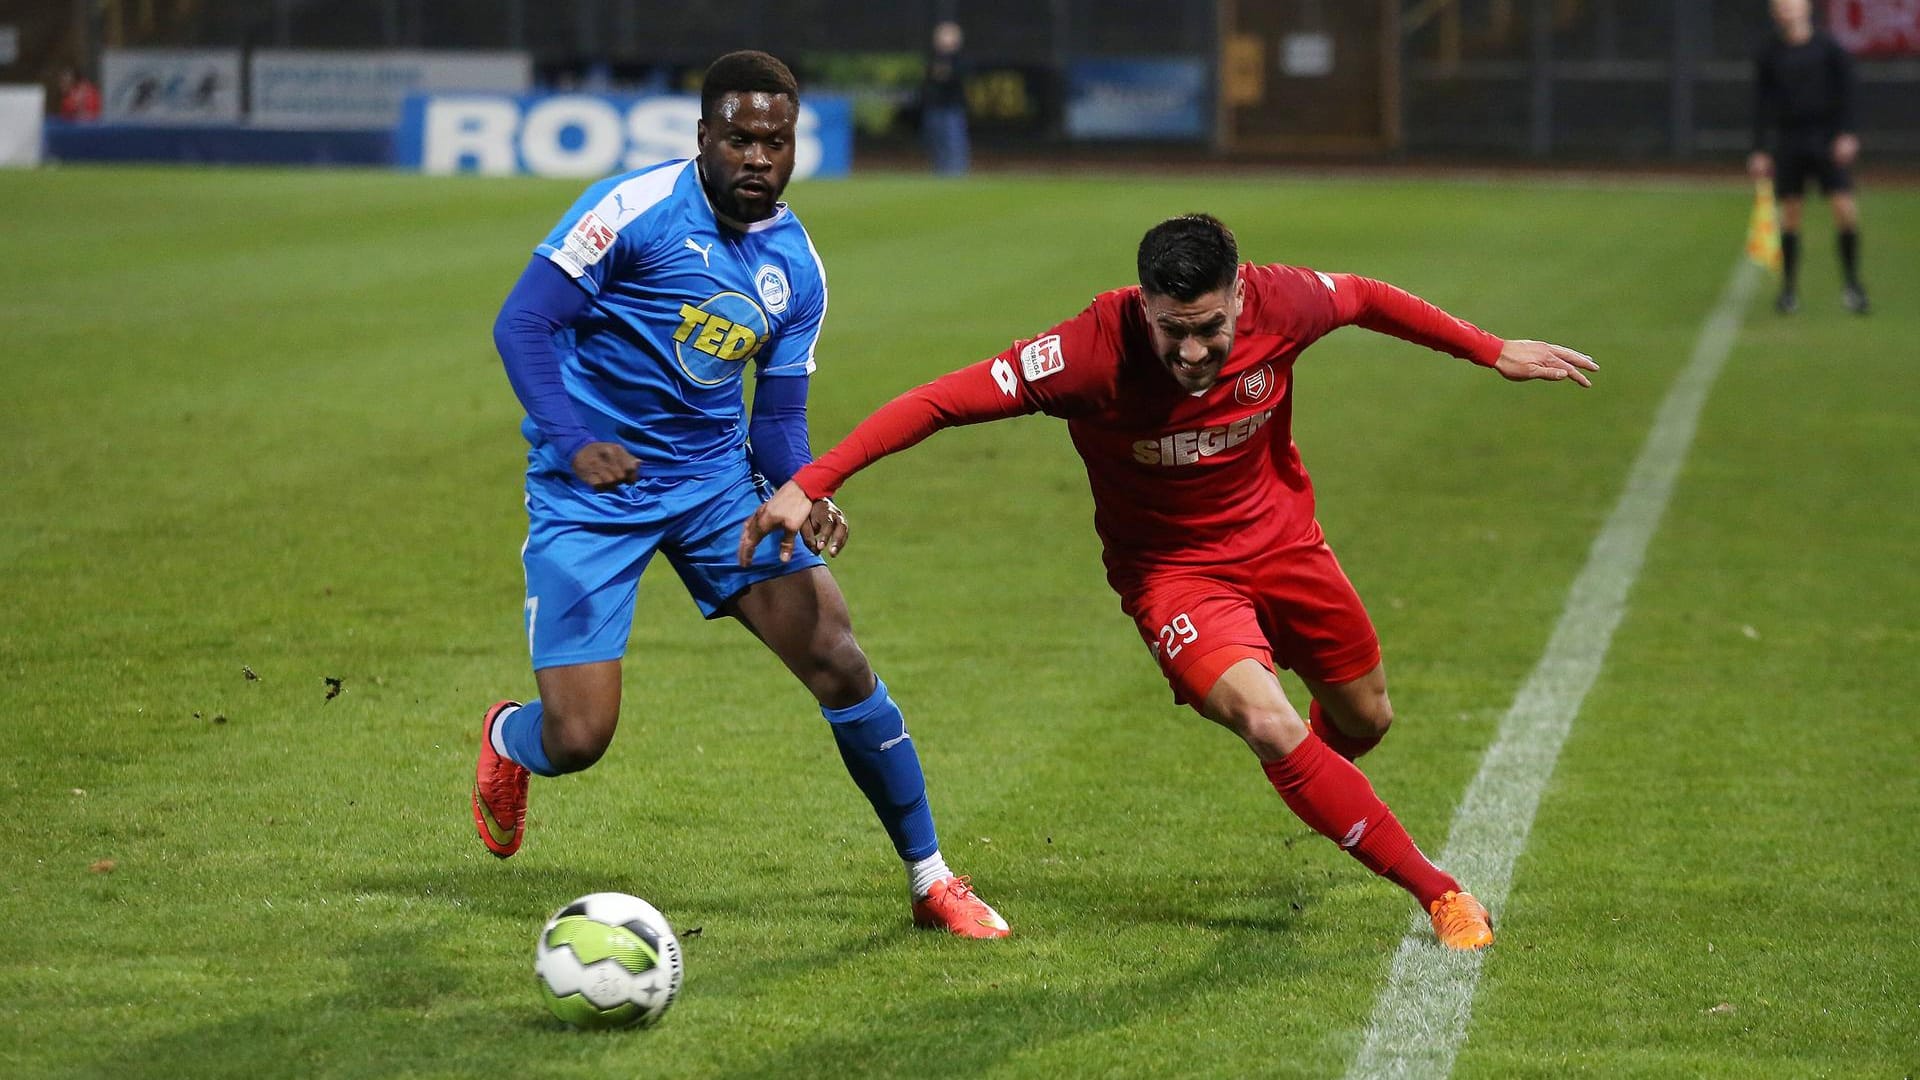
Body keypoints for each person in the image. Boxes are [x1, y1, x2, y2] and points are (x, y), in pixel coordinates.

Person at [742, 214, 1599, 950]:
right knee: (1266, 720)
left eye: (1210, 329)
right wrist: (815, 480)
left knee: (1366, 720)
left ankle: (1314, 773)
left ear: (1239, 297)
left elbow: (1370, 297)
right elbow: (939, 401)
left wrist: (1490, 350)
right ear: (1143, 304)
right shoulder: (1082, 353)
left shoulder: (1288, 300)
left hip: (1288, 546)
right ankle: (1439, 891)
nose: (1192, 351)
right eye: (1171, 329)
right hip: (1175, 579)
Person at [473, 50, 1008, 939]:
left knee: (837, 653)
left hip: (716, 485)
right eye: (740, 138)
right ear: (703, 137)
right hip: (592, 490)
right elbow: (523, 322)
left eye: (777, 140)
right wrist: (573, 444)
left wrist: (806, 486)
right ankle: (505, 741)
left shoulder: (797, 269)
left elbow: (776, 425)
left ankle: (930, 878)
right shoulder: (632, 211)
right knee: (578, 738)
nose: (758, 156)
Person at [1749, 0, 1868, 315]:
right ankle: (1788, 291)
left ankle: (1853, 286)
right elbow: (1762, 103)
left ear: (1806, 7)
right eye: (1780, 6)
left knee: (1844, 208)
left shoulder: (1829, 48)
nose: (1786, 10)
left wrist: (1847, 133)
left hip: (1827, 140)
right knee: (1790, 214)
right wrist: (1760, 148)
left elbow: (1849, 92)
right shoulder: (1769, 53)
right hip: (1790, 141)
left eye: (1791, 4)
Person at [921, 20, 970, 176]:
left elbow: (952, 77)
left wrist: (943, 74)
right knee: (936, 141)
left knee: (954, 141)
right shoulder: (932, 58)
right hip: (934, 106)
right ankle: (940, 172)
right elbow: (930, 77)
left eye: (947, 36)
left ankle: (957, 172)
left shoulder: (959, 60)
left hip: (952, 107)